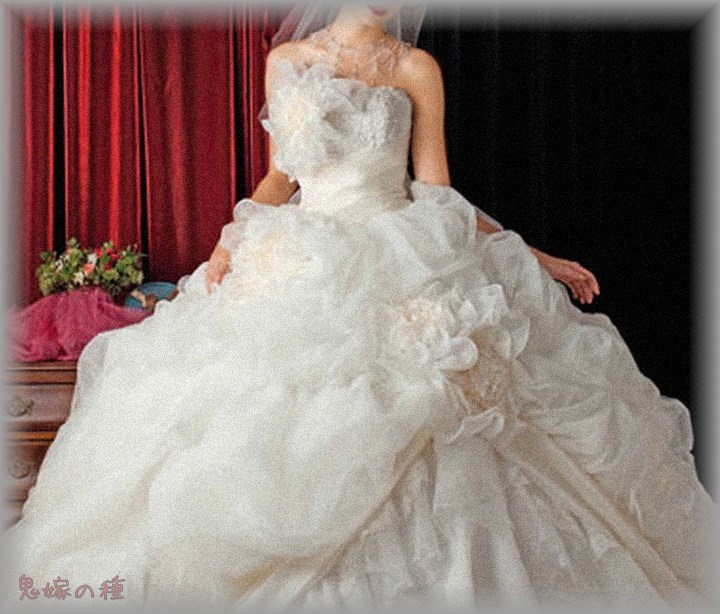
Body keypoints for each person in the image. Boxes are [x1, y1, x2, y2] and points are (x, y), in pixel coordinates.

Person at [4, 3, 716, 610]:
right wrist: (231, 237)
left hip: (400, 249)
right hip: (303, 252)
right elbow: (281, 176)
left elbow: (436, 193)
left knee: (441, 403)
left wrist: (534, 255)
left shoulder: (416, 68)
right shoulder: (287, 59)